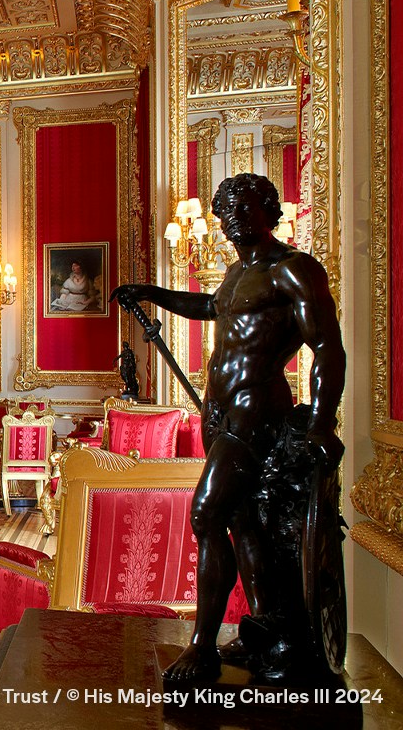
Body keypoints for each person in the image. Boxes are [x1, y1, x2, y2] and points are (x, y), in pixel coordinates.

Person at [111, 172, 344, 684]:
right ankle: (265, 627)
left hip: (255, 411)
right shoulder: (238, 273)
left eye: (243, 207)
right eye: (224, 211)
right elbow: (209, 307)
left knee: (207, 513)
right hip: (218, 412)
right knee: (244, 522)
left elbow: (327, 346)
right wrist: (151, 293)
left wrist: (323, 422)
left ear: (269, 210)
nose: (231, 219)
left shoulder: (293, 269)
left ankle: (202, 647)